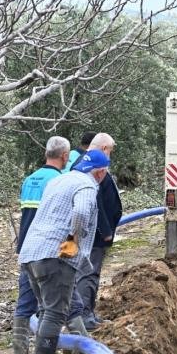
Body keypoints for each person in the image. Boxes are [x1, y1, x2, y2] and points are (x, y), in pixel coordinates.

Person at [19, 149, 109, 354]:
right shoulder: (87, 186)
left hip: (31, 253)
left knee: (47, 310)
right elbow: (80, 211)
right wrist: (74, 239)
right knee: (55, 313)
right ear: (99, 173)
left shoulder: (59, 180)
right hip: (55, 255)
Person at [12, 137, 88, 354]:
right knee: (67, 302)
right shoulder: (59, 181)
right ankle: (83, 348)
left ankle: (20, 351)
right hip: (50, 251)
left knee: (26, 300)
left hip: (27, 249)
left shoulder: (30, 179)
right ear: (65, 156)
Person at [70, 133, 123, 331]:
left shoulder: (85, 164)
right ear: (103, 149)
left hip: (93, 233)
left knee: (91, 273)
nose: (110, 155)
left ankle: (88, 312)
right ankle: (84, 316)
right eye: (110, 150)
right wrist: (105, 230)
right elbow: (93, 204)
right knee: (87, 273)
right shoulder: (89, 169)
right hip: (92, 234)